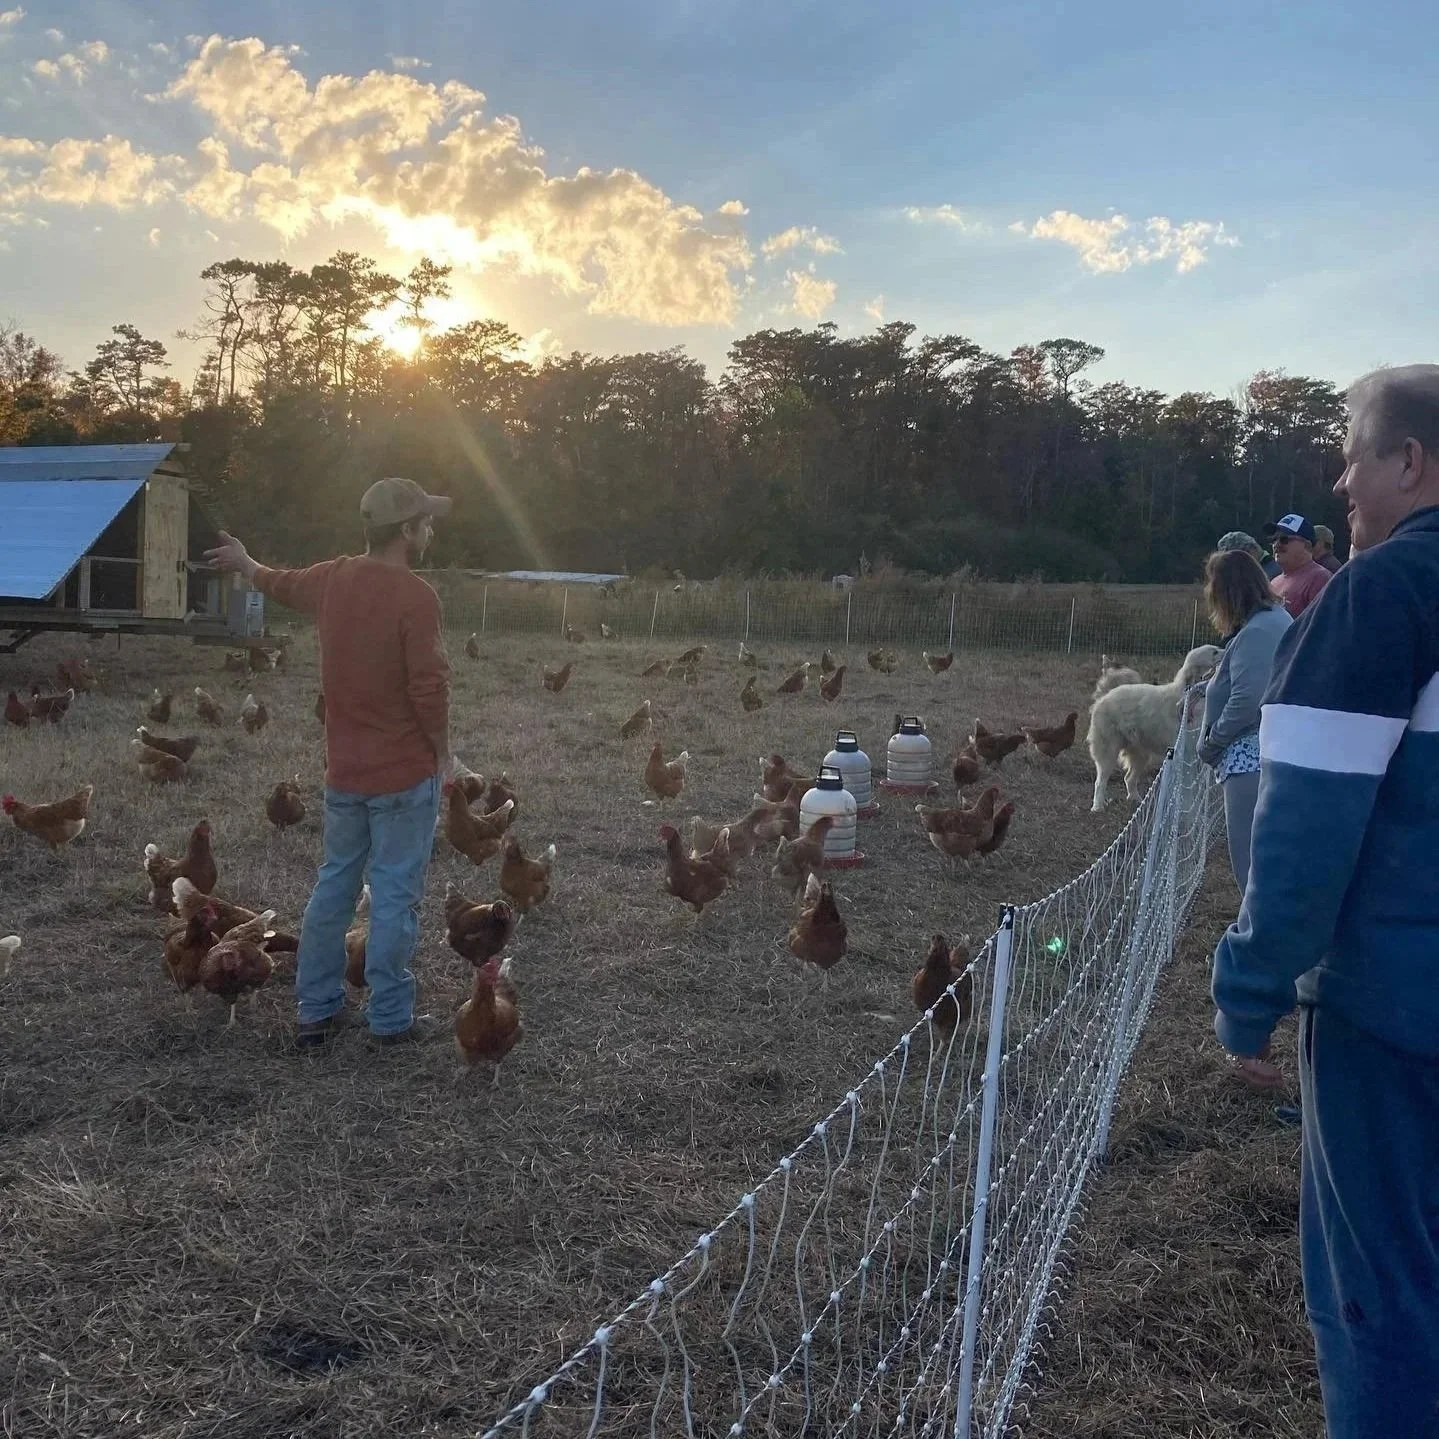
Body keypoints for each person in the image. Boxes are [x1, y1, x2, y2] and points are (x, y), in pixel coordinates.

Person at [1211, 363, 1439, 1438]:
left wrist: (1246, 990)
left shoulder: (1386, 589)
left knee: (1384, 1298)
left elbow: (1300, 831)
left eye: (1355, 448)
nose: (1342, 476)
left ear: (1409, 461)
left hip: (1397, 1018)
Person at [205, 477, 452, 1048]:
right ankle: (390, 1018)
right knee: (392, 896)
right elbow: (429, 689)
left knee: (334, 886)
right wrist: (443, 753)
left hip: (344, 773)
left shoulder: (332, 578)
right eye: (427, 522)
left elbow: (278, 583)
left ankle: (316, 1009)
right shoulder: (417, 597)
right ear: (408, 532)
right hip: (404, 776)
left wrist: (245, 562)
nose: (432, 529)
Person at [1196, 549, 1291, 890]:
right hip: (1265, 752)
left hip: (1248, 760)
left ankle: (1257, 933)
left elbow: (1248, 699)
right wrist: (1205, 687)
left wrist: (1212, 741)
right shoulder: (1271, 620)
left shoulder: (1257, 632)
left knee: (1248, 863)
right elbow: (1251, 676)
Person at [1264, 513, 1331, 618]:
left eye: (1284, 539)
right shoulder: (1274, 582)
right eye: (1274, 540)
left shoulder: (1320, 578)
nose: (1276, 545)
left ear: (1307, 545)